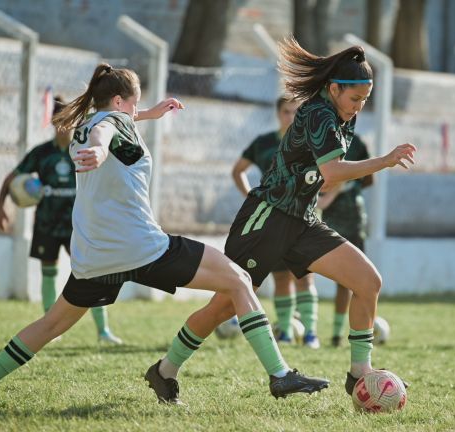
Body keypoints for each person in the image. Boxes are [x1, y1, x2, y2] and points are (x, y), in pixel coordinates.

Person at [0, 64, 329, 405]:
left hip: (94, 254)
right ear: (119, 102)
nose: (137, 110)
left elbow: (112, 124)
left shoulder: (85, 124)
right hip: (142, 247)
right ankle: (279, 374)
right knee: (239, 280)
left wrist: (151, 113)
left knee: (52, 324)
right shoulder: (106, 129)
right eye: (135, 104)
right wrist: (101, 150)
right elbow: (109, 131)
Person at [153, 37, 416, 398]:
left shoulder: (341, 115)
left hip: (302, 221)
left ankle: (359, 373)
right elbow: (332, 173)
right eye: (355, 99)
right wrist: (384, 160)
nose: (359, 107)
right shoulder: (319, 114)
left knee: (368, 281)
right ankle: (165, 370)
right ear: (334, 88)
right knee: (222, 306)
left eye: (365, 101)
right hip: (266, 218)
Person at [0, 96, 122, 345]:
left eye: (70, 120)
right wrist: (0, 207)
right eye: (60, 120)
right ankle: (51, 330)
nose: (65, 125)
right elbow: (11, 178)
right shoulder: (42, 154)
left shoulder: (85, 150)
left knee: (94, 275)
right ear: (53, 121)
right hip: (47, 224)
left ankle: (103, 331)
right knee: (48, 272)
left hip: (80, 225)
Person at [231, 95, 320, 349]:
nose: (291, 117)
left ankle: (311, 334)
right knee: (281, 278)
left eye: (295, 112)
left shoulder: (311, 142)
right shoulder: (264, 143)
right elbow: (238, 170)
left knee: (305, 277)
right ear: (278, 113)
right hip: (273, 219)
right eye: (286, 112)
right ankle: (286, 333)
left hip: (304, 219)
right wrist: (251, 195)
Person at [315, 134, 373, 347]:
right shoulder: (321, 138)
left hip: (353, 218)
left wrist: (347, 185)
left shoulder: (357, 143)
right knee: (343, 280)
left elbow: (369, 178)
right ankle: (330, 332)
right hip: (332, 218)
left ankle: (341, 335)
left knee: (357, 279)